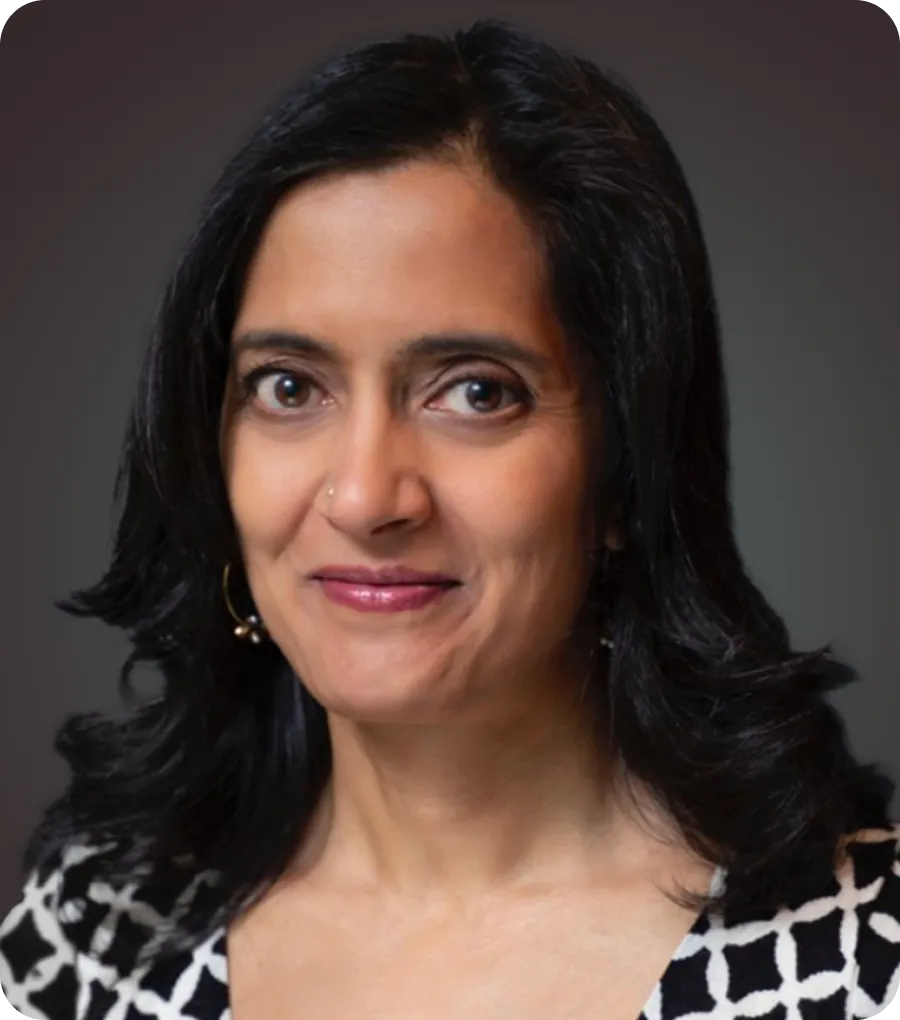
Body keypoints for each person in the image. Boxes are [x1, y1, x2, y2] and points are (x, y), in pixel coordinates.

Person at [1, 17, 897, 1020]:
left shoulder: (863, 961)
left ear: (623, 471)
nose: (366, 497)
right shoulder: (97, 929)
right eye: (290, 387)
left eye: (475, 392)